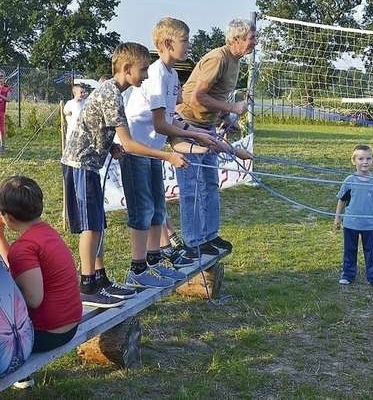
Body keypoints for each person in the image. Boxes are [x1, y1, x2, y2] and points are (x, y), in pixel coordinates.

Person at [61, 42, 188, 308]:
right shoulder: (111, 93)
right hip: (80, 165)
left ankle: (100, 279)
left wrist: (111, 146)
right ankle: (87, 284)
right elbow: (131, 144)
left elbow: (99, 129)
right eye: (142, 70)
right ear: (127, 68)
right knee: (91, 227)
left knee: (98, 224)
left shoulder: (114, 93)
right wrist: (168, 156)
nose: (145, 75)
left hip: (90, 164)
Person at [121, 18, 220, 289]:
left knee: (156, 210)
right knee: (141, 213)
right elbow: (159, 124)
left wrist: (204, 135)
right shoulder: (154, 74)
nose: (189, 46)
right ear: (167, 43)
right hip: (137, 151)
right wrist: (195, 135)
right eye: (185, 41)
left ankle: (154, 264)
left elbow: (172, 118)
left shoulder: (173, 74)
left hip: (153, 151)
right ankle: (137, 269)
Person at [174, 19, 257, 256]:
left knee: (210, 184)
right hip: (188, 126)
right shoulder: (218, 58)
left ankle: (209, 236)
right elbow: (197, 96)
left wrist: (224, 118)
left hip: (207, 126)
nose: (255, 42)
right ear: (235, 40)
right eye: (251, 37)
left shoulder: (235, 61)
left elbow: (214, 96)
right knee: (191, 187)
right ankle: (192, 242)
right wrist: (232, 108)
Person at [0, 176, 82, 354]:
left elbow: (33, 299)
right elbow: (19, 267)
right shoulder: (46, 232)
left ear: (9, 217)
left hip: (46, 333)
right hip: (70, 324)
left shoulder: (23, 247)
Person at [333, 145, 373, 289]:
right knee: (350, 250)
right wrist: (337, 218)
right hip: (351, 223)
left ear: (372, 161)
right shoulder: (349, 180)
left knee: (371, 252)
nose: (365, 162)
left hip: (369, 225)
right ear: (354, 161)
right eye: (361, 158)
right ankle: (348, 274)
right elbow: (342, 200)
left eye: (368, 158)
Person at [0, 70, 11, 152]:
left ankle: (2, 146)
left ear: (4, 78)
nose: (0, 78)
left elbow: (8, 99)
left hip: (1, 111)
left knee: (2, 129)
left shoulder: (7, 88)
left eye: (1, 77)